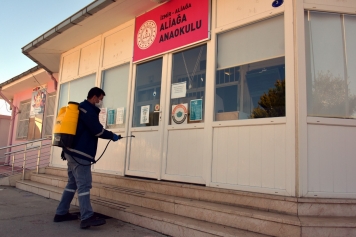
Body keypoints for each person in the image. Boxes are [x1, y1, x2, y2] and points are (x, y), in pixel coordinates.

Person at [53, 87, 121, 229]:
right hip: (80, 154)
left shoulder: (80, 108)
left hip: (70, 152)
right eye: (100, 99)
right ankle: (87, 217)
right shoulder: (87, 110)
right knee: (84, 185)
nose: (101, 102)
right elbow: (97, 130)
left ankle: (61, 213)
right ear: (94, 97)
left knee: (72, 183)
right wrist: (112, 136)